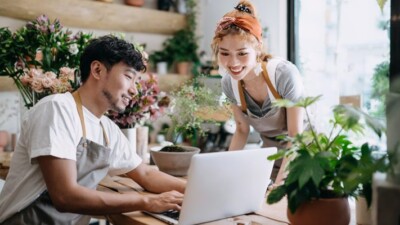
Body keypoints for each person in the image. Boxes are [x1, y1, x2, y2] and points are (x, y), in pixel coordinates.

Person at [0, 35, 185, 225]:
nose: (134, 90)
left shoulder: (107, 129)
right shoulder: (57, 109)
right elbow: (65, 196)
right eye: (129, 77)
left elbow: (145, 175)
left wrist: (196, 189)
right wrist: (147, 201)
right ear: (97, 70)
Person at [211, 1, 304, 184]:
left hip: (305, 155)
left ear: (258, 49)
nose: (233, 63)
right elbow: (241, 130)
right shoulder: (229, 83)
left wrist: (279, 185)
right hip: (274, 159)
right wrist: (225, 174)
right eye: (224, 53)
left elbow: (296, 135)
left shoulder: (283, 75)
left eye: (242, 53)